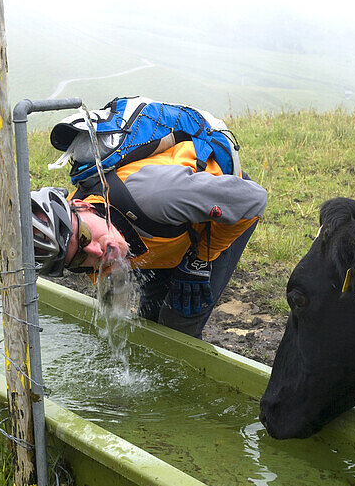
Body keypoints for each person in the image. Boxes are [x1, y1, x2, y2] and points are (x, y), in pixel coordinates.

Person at [29, 138, 266, 339]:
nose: (96, 252)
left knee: (179, 324)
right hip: (161, 232)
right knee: (149, 318)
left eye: (84, 237)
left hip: (221, 206)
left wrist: (199, 261)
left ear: (83, 206)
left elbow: (253, 199)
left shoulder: (157, 196)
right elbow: (113, 303)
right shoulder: (80, 252)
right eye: (81, 257)